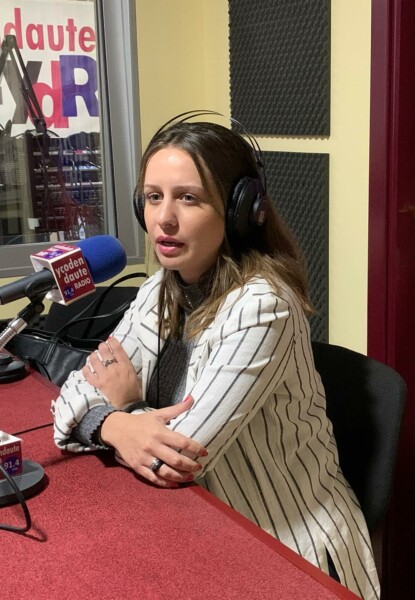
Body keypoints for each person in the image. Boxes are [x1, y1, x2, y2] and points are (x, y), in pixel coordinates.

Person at [51, 116, 380, 599]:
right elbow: (72, 396)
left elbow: (177, 460)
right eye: (153, 197)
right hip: (201, 527)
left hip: (287, 551)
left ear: (241, 210)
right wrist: (116, 424)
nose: (164, 218)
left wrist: (123, 407)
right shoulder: (159, 290)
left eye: (188, 198)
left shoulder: (262, 306)